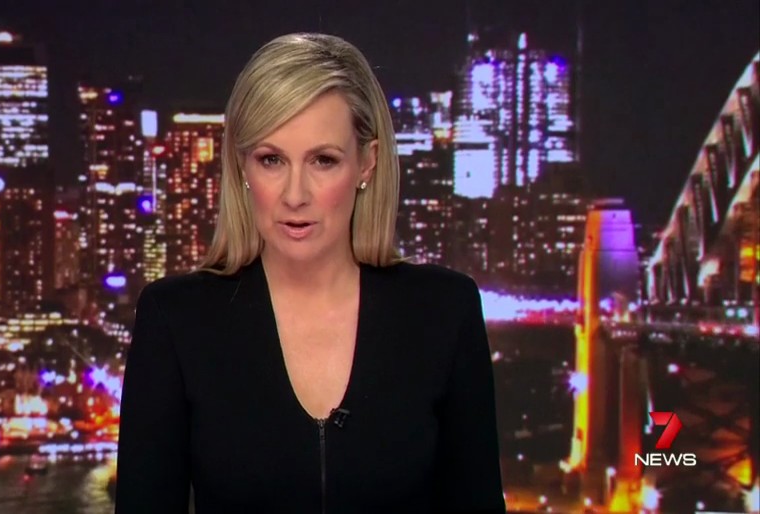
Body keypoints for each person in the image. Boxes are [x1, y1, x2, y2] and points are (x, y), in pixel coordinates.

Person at [115, 32, 505, 513]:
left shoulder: (444, 312)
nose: (295, 195)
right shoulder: (175, 320)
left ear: (367, 163)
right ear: (241, 166)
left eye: (323, 160)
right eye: (272, 160)